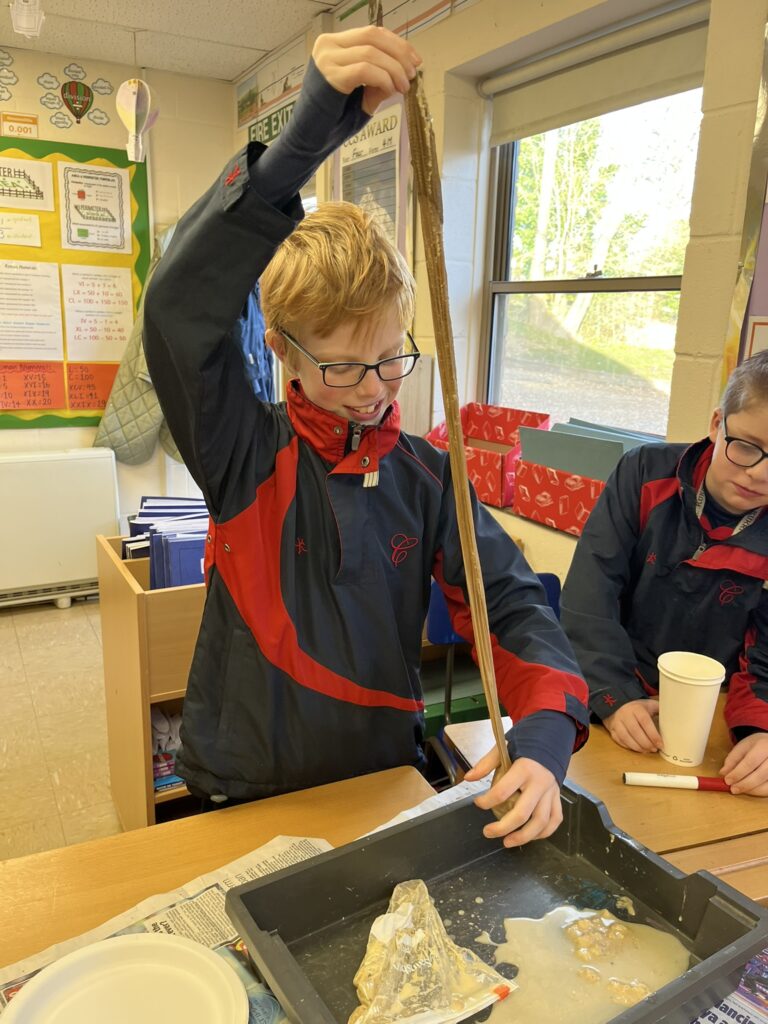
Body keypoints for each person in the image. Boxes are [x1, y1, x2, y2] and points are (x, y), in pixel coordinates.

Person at [144, 25, 589, 846]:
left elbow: (513, 606)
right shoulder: (242, 448)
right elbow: (178, 311)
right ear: (282, 352)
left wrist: (544, 739)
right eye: (346, 367)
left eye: (393, 359)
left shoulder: (424, 475)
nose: (378, 390)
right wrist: (303, 138)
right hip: (247, 786)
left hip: (379, 782)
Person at [560, 351, 768, 796]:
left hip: (713, 718)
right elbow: (590, 598)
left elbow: (765, 657)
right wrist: (614, 696)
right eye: (746, 447)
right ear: (717, 424)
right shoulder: (643, 473)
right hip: (613, 692)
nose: (759, 474)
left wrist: (760, 733)